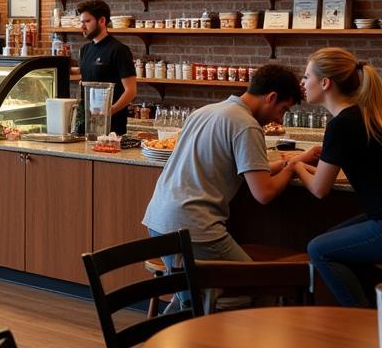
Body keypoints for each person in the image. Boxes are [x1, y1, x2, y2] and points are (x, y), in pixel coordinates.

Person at [143, 64, 317, 266]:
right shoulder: (247, 125)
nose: (279, 119)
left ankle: (187, 299)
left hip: (158, 220)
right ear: (271, 97)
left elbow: (252, 171)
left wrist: (291, 161)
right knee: (255, 284)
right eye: (283, 110)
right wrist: (291, 169)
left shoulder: (206, 112)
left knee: (191, 287)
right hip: (193, 227)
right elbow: (264, 192)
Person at [292, 48, 382, 307]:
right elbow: (338, 173)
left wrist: (296, 165)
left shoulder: (341, 124)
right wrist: (307, 166)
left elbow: (320, 189)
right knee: (334, 236)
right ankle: (371, 307)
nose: (302, 82)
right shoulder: (363, 114)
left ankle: (360, 318)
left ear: (325, 83)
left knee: (318, 248)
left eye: (307, 76)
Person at [75, 0, 137, 136]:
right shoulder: (85, 50)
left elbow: (131, 91)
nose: (82, 26)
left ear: (102, 21)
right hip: (87, 126)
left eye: (87, 21)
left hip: (112, 129)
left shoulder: (119, 50)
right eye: (81, 22)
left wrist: (110, 111)